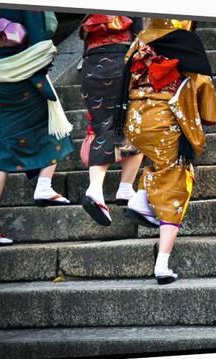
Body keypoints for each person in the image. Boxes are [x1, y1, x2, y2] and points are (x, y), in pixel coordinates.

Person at [117, 18, 216, 284]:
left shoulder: (139, 41)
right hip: (164, 118)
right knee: (177, 184)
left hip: (136, 118)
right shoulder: (184, 41)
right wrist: (207, 115)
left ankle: (140, 199)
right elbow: (201, 83)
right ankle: (162, 263)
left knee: (159, 163)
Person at [0, 9, 75, 246]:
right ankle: (44, 186)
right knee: (53, 126)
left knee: (2, 150)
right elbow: (43, 41)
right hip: (23, 84)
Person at [78, 14, 145, 226]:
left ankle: (116, 188)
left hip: (91, 64)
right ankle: (103, 189)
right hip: (121, 60)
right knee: (136, 123)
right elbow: (139, 33)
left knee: (102, 126)